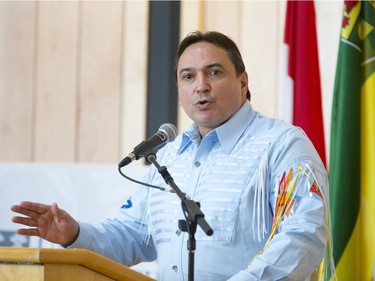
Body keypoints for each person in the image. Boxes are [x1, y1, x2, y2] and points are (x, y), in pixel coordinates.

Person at [11, 31, 330, 281]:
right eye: (188, 76)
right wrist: (76, 234)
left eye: (214, 72)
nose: (200, 86)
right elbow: (133, 235)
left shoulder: (282, 145)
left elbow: (302, 235)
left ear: (243, 82)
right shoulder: (172, 156)